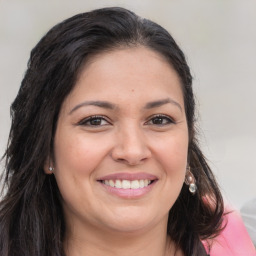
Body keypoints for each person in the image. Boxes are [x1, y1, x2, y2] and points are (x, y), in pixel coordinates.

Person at [0, 7, 255, 256]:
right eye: (96, 121)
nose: (132, 151)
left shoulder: (247, 237)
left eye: (159, 119)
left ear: (189, 138)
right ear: (45, 148)